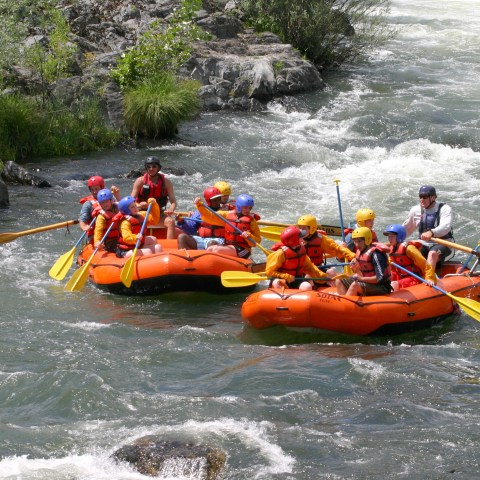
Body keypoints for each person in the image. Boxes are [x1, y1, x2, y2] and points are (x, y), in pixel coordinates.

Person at [403, 185, 454, 272]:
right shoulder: (415, 210)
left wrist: (432, 232)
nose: (422, 199)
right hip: (424, 244)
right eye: (420, 197)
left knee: (432, 254)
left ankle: (430, 279)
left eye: (425, 197)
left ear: (433, 197)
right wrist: (396, 236)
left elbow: (445, 227)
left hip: (444, 244)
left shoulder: (445, 209)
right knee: (407, 251)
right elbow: (407, 228)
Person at [194, 193, 261, 258]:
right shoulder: (228, 215)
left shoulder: (252, 222)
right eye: (245, 208)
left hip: (243, 250)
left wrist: (249, 236)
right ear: (238, 206)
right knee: (210, 248)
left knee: (214, 250)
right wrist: (199, 206)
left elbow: (257, 241)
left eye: (250, 208)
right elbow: (211, 216)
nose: (248, 210)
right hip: (229, 245)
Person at [266, 226, 329, 290]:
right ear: (294, 241)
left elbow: (310, 267)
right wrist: (285, 276)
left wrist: (323, 276)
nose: (303, 238)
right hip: (281, 278)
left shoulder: (301, 250)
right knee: (277, 283)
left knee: (307, 286)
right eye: (301, 237)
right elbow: (269, 272)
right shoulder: (280, 253)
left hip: (296, 278)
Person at [336, 227, 392, 296]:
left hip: (382, 287)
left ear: (367, 240)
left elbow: (380, 278)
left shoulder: (376, 254)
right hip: (367, 283)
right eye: (355, 241)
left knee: (355, 285)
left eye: (359, 241)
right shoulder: (359, 252)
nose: (357, 245)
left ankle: (345, 305)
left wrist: (361, 279)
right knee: (339, 280)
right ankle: (346, 302)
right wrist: (355, 264)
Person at [130, 156, 177, 239]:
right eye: (148, 167)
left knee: (170, 222)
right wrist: (139, 205)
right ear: (146, 168)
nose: (151, 169)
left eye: (154, 166)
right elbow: (130, 202)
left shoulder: (166, 183)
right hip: (142, 214)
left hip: (158, 214)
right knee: (132, 221)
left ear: (158, 168)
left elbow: (173, 202)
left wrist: (171, 209)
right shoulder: (140, 181)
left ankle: (170, 248)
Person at [384, 224, 436, 291]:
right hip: (401, 276)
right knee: (384, 277)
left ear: (399, 236)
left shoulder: (409, 249)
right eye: (389, 237)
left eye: (392, 236)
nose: (389, 239)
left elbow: (424, 264)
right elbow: (393, 269)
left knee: (393, 284)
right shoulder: (392, 249)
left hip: (415, 277)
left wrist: (429, 278)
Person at [78, 176, 120, 240]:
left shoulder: (109, 197)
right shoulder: (88, 204)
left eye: (96, 189)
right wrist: (84, 227)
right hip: (96, 234)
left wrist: (117, 195)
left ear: (102, 187)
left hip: (114, 231)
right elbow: (82, 220)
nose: (94, 192)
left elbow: (120, 207)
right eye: (92, 189)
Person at [93, 188, 122, 253]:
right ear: (99, 204)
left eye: (106, 201)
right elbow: (98, 230)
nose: (105, 204)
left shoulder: (118, 207)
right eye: (102, 203)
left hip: (121, 237)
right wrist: (97, 241)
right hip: (109, 242)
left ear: (111, 201)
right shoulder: (101, 217)